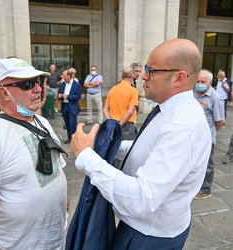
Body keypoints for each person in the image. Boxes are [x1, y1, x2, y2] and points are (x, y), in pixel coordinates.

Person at [70, 38, 211, 249]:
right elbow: (148, 149)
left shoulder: (181, 126)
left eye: (151, 70)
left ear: (178, 78)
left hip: (148, 236)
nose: (144, 76)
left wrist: (86, 157)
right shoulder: (169, 111)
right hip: (145, 229)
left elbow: (140, 199)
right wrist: (108, 147)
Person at [0, 57, 68, 249]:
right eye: (27, 84)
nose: (38, 89)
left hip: (58, 239)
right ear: (4, 93)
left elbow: (57, 164)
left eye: (36, 82)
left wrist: (63, 194)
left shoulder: (42, 122)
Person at [193, 69, 225, 199]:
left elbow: (219, 121)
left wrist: (209, 131)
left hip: (206, 138)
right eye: (198, 81)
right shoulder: (194, 93)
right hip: (194, 136)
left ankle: (205, 190)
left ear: (210, 82)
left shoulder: (215, 98)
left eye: (203, 81)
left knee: (207, 164)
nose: (199, 83)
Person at [103, 67, 139, 141]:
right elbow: (130, 111)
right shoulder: (133, 91)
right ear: (132, 76)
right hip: (127, 125)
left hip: (113, 123)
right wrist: (119, 125)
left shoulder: (112, 89)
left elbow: (105, 109)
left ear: (121, 76)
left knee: (115, 149)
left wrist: (110, 122)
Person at [58, 70, 82, 144]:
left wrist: (68, 96)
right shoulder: (62, 84)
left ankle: (74, 138)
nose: (63, 77)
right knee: (67, 123)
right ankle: (69, 137)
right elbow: (60, 93)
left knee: (72, 123)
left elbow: (78, 96)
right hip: (65, 106)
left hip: (72, 106)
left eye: (64, 75)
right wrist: (59, 96)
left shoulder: (77, 85)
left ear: (69, 76)